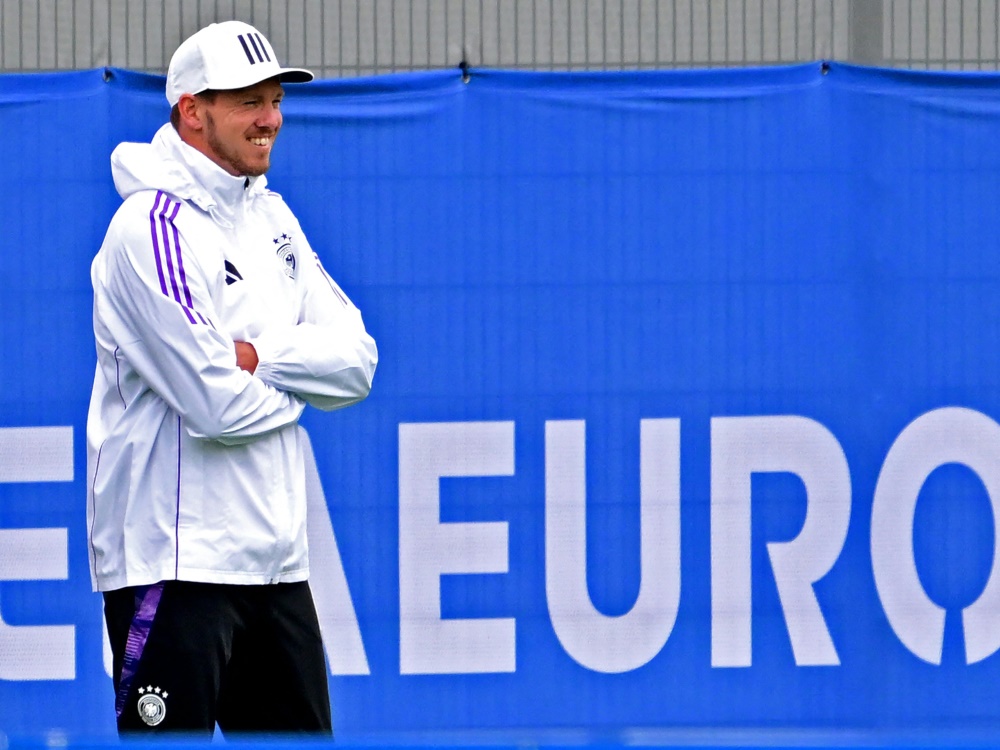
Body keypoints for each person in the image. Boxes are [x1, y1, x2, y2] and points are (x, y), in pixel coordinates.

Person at [86, 20, 377, 735]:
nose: (271, 119)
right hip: (173, 566)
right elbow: (217, 404)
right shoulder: (146, 229)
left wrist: (261, 356)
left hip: (277, 570)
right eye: (250, 101)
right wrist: (301, 388)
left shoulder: (273, 218)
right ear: (192, 110)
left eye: (275, 100)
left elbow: (358, 361)